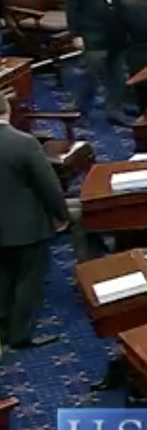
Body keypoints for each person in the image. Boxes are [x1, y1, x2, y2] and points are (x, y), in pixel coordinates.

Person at [0, 94, 68, 349]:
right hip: (27, 227)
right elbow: (48, 186)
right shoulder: (23, 143)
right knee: (29, 279)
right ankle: (20, 335)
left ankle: (3, 324)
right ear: (7, 110)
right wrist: (61, 214)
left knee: (3, 275)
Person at [64, 0, 127, 124]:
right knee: (91, 74)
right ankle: (79, 110)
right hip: (91, 32)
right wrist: (76, 34)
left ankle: (114, 110)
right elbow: (71, 8)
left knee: (117, 74)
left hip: (116, 31)